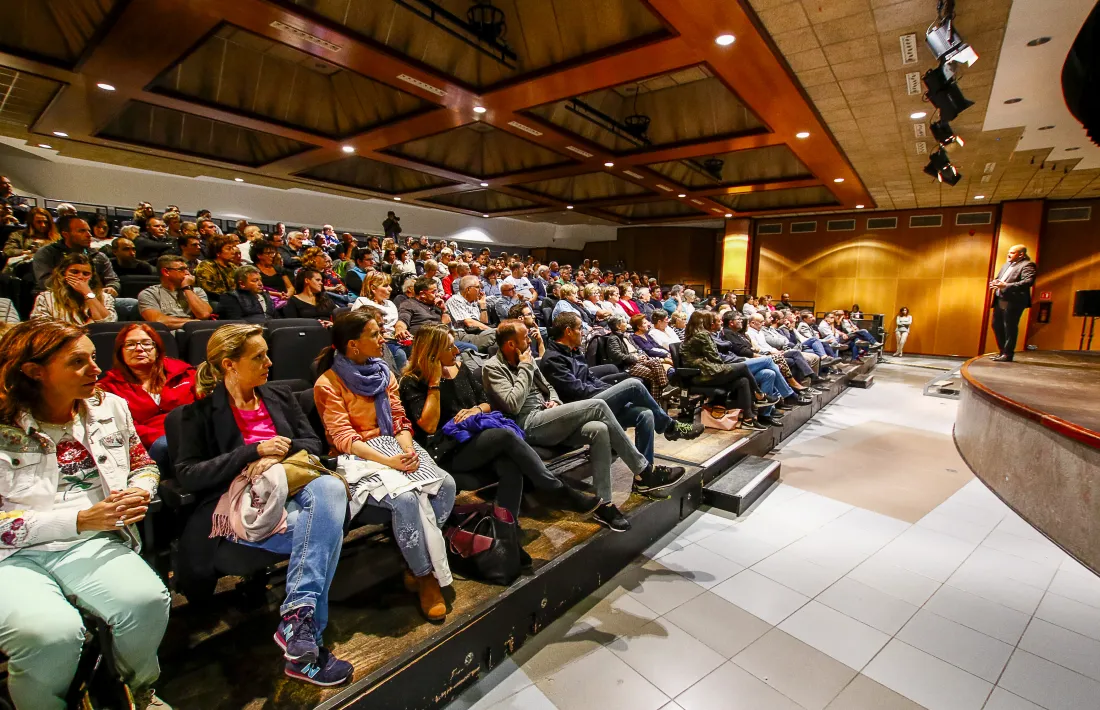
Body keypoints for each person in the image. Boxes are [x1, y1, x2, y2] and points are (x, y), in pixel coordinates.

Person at [0, 320, 170, 710]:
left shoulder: (110, 407)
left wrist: (139, 491)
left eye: (94, 358)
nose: (96, 370)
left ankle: (136, 691)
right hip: (10, 556)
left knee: (145, 601)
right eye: (78, 362)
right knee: (51, 634)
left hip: (88, 541)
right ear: (33, 371)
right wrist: (78, 519)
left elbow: (143, 463)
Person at [174, 324, 352, 685]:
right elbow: (188, 474)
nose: (270, 362)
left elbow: (311, 444)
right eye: (259, 357)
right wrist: (252, 452)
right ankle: (306, 644)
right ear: (229, 365)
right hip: (243, 507)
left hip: (293, 487)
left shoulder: (280, 396)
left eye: (267, 353)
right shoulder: (199, 413)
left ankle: (298, 626)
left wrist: (277, 456)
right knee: (324, 530)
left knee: (330, 490)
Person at [313, 309, 455, 622]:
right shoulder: (328, 383)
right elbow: (344, 438)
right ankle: (424, 575)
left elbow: (400, 419)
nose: (383, 339)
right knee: (405, 499)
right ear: (353, 345)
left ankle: (413, 557)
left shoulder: (383, 372)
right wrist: (390, 461)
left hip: (393, 445)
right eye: (375, 334)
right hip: (357, 457)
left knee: (446, 486)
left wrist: (406, 452)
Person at [400, 325, 599, 519]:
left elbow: (487, 403)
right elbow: (429, 426)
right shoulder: (412, 381)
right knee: (504, 435)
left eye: (454, 345)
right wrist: (434, 383)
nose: (456, 350)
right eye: (449, 347)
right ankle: (555, 489)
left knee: (509, 466)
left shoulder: (460, 368)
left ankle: (506, 534)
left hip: (476, 437)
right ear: (432, 353)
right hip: (446, 449)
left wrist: (475, 410)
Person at [483, 320, 654, 532]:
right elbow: (513, 404)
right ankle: (642, 469)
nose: (530, 341)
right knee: (598, 405)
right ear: (510, 345)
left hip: (547, 416)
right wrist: (526, 366)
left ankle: (604, 504)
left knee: (599, 430)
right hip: (526, 424)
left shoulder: (525, 357)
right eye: (525, 338)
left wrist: (555, 401)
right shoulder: (492, 367)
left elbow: (548, 387)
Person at [541, 311, 699, 477]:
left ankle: (645, 477)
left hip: (594, 401)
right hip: (579, 409)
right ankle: (669, 427)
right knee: (633, 384)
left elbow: (592, 379)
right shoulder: (553, 359)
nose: (583, 331)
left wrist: (613, 394)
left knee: (645, 414)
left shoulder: (573, 352)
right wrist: (609, 393)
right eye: (580, 328)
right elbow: (576, 390)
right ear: (568, 331)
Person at [99, 323, 196, 475]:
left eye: (146, 343)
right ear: (120, 352)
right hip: (148, 446)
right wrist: (170, 436)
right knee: (163, 444)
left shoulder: (184, 373)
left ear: (157, 350)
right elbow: (123, 426)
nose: (139, 348)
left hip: (193, 435)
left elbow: (204, 405)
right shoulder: (108, 387)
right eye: (130, 345)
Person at [33, 215, 120, 294]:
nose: (89, 235)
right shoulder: (47, 253)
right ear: (65, 234)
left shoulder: (99, 256)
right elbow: (46, 283)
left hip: (96, 300)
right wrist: (82, 290)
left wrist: (111, 287)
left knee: (130, 304)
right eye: (82, 231)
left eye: (88, 231)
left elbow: (113, 280)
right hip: (58, 300)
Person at [31, 253, 117, 324]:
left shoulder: (105, 298)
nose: (80, 277)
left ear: (92, 277)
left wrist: (87, 293)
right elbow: (41, 328)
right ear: (63, 273)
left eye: (86, 274)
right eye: (74, 272)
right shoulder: (45, 298)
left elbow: (109, 323)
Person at [989, 244, 1037, 363]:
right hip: (1000, 300)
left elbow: (1028, 282)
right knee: (996, 325)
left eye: (1012, 252)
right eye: (1008, 252)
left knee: (1009, 326)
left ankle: (1008, 354)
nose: (1008, 254)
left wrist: (1005, 286)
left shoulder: (1027, 265)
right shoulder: (1006, 265)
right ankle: (1002, 352)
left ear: (1021, 254)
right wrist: (995, 283)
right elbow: (1000, 279)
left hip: (1013, 301)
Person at [604, 314, 671, 398]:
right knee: (654, 373)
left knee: (656, 362)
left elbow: (638, 348)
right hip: (628, 365)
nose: (627, 324)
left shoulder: (627, 335)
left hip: (638, 361)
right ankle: (664, 389)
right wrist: (635, 358)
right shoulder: (613, 338)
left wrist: (641, 355)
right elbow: (616, 355)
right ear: (618, 326)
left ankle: (659, 398)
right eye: (624, 322)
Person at [354, 270, 410, 370]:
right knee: (400, 354)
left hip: (395, 339)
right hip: (378, 341)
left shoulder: (390, 304)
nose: (390, 289)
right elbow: (361, 328)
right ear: (373, 288)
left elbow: (396, 323)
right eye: (385, 286)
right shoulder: (362, 302)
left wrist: (399, 330)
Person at [138, 254, 213, 328]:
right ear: (166, 272)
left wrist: (186, 288)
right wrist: (195, 322)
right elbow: (158, 321)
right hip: (168, 335)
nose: (187, 273)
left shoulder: (197, 291)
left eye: (187, 269)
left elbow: (204, 314)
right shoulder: (149, 294)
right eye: (181, 269)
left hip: (194, 333)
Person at [193, 234, 240, 302]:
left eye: (233, 248)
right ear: (218, 252)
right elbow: (209, 290)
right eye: (229, 249)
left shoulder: (233, 267)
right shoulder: (206, 266)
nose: (233, 252)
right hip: (213, 300)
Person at [252, 239, 294, 308]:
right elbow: (254, 289)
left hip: (284, 300)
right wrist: (277, 294)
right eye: (268, 253)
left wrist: (287, 295)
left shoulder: (279, 268)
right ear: (259, 255)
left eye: (273, 253)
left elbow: (290, 287)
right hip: (263, 302)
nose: (272, 256)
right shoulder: (252, 269)